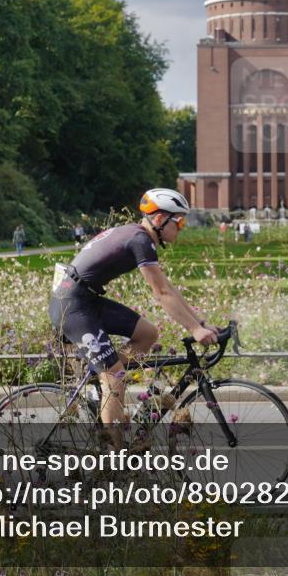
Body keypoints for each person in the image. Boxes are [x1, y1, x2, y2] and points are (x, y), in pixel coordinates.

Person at [49, 188, 217, 440]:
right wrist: (195, 330)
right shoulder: (140, 240)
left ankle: (103, 375)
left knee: (148, 334)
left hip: (85, 300)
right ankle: (114, 458)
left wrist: (199, 323)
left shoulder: (139, 235)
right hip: (72, 306)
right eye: (180, 221)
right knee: (116, 378)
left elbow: (167, 287)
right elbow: (161, 293)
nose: (182, 227)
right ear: (159, 220)